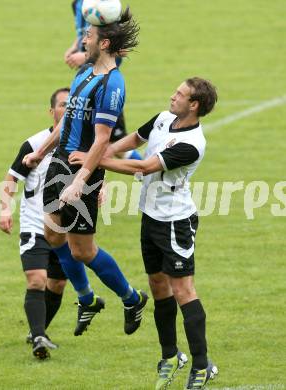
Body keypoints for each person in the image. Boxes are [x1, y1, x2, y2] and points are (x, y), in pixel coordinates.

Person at [69, 77, 219, 389]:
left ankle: (202, 367)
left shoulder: (191, 144)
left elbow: (146, 167)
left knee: (183, 290)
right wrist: (100, 157)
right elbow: (134, 140)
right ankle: (170, 355)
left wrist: (93, 161)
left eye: (179, 94)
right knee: (157, 285)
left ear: (194, 105)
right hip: (150, 217)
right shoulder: (165, 118)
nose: (172, 96)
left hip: (176, 223)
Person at [23, 8, 148, 337]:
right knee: (52, 236)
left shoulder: (112, 84)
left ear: (103, 42)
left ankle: (131, 298)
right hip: (59, 163)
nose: (83, 39)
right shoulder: (84, 73)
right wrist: (40, 152)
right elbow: (65, 121)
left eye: (89, 37)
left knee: (82, 250)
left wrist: (81, 182)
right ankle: (88, 298)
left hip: (83, 171)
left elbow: (104, 139)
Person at [0, 87, 97, 360]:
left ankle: (38, 331)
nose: (67, 110)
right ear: (52, 111)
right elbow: (11, 178)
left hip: (64, 228)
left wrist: (100, 188)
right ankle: (40, 337)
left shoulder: (81, 144)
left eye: (71, 106)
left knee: (56, 285)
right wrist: (5, 210)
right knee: (37, 280)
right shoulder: (34, 143)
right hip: (34, 224)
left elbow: (94, 167)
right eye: (62, 105)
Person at [64, 0, 142, 160]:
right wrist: (75, 46)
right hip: (87, 78)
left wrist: (83, 56)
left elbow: (123, 48)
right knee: (94, 142)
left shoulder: (106, 7)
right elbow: (83, 32)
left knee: (107, 144)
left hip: (102, 83)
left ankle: (148, 173)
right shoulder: (78, 5)